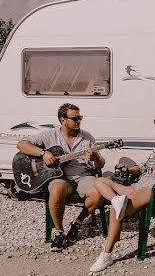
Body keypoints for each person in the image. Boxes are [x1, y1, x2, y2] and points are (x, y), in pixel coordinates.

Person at [89, 116, 155, 272]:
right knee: (100, 181)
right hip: (141, 182)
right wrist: (128, 169)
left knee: (116, 211)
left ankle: (106, 255)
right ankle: (116, 199)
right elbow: (141, 167)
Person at [17, 103, 106, 252]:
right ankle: (59, 232)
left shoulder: (87, 137)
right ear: (63, 120)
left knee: (98, 192)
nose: (79, 121)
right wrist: (43, 154)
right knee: (56, 189)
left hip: (82, 176)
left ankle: (77, 222)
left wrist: (96, 157)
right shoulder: (49, 135)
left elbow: (100, 165)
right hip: (60, 178)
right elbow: (21, 145)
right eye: (75, 118)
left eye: (80, 118)